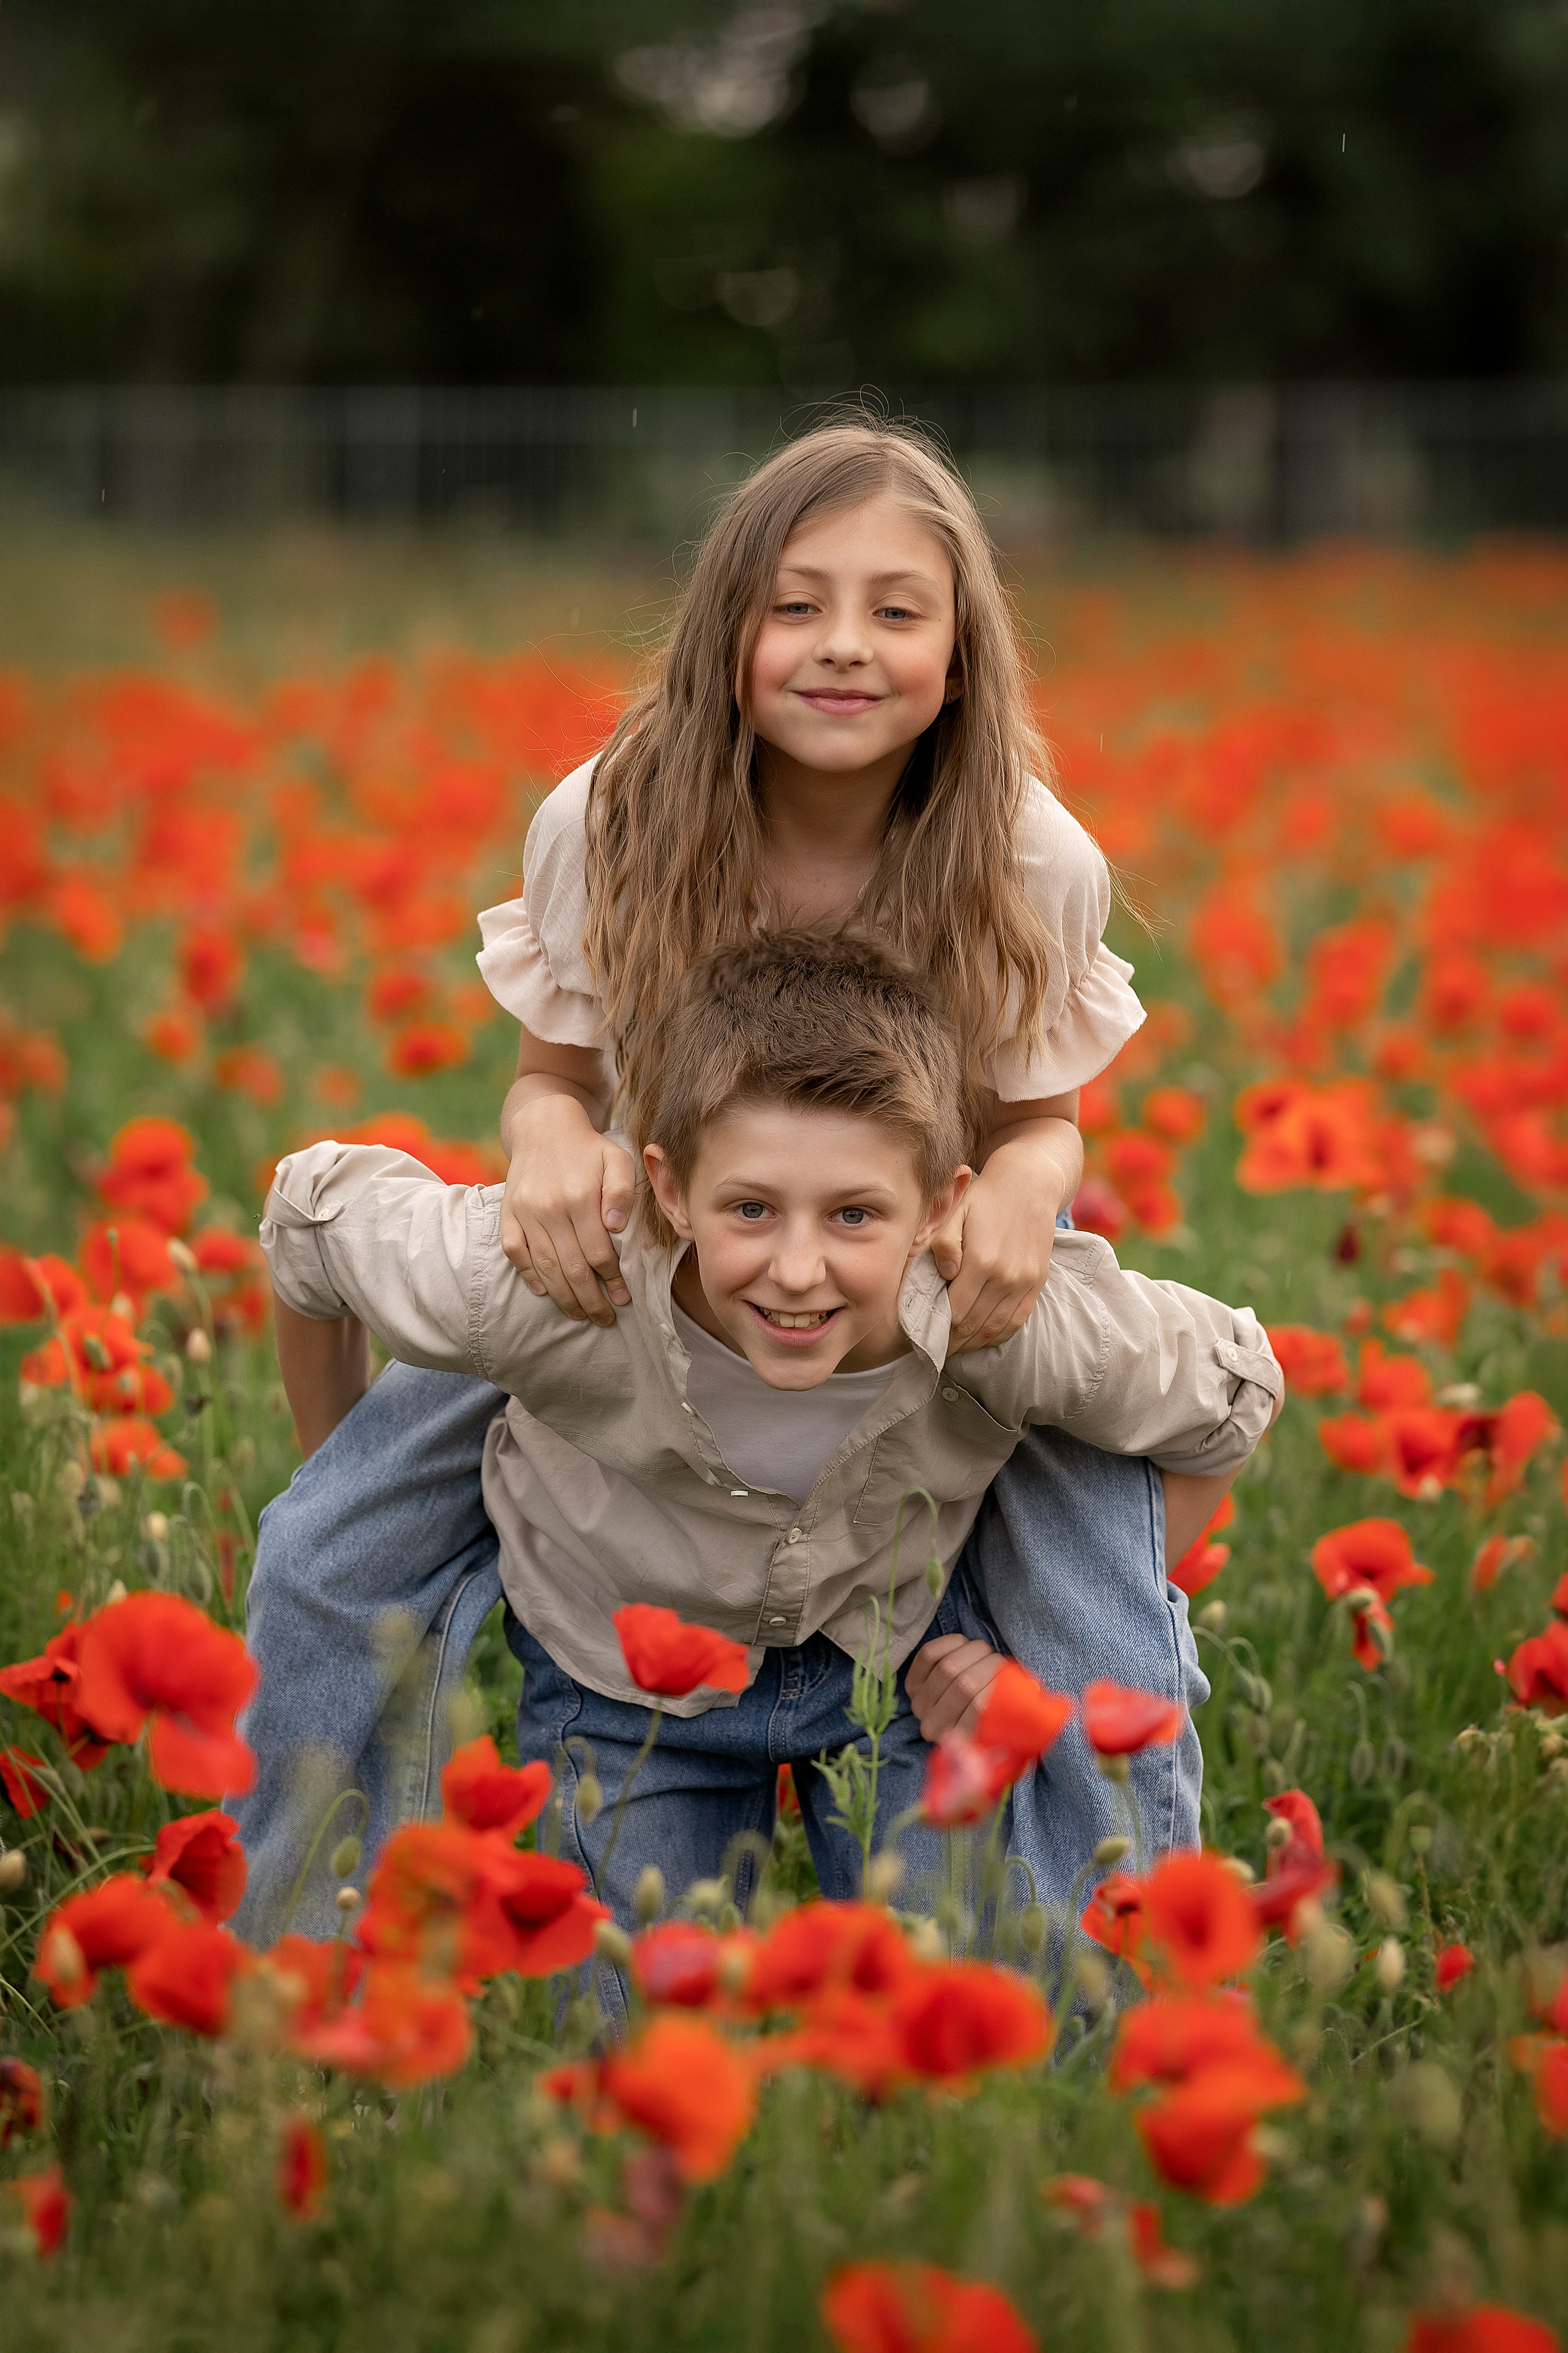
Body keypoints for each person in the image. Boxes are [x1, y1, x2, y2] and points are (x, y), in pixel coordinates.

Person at [233, 415, 1205, 1938]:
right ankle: (293, 1966)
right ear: (725, 626)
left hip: (938, 1265)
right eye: (795, 603)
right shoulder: (613, 815)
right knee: (317, 1552)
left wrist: (1030, 1184)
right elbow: (554, 1075)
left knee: (1108, 1641)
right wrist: (550, 1140)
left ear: (960, 653)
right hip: (634, 1248)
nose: (843, 646)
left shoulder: (1027, 858)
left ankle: (1116, 2006)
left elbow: (1038, 1117)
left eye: (896, 610)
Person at [255, 935, 1280, 1984]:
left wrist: (1022, 1655)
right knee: (636, 2063)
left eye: (853, 1214)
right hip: (621, 1684)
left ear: (940, 1206)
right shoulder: (559, 1285)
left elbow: (1233, 1393)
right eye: (749, 1208)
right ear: (665, 1186)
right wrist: (336, 1460)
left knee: (952, 2035)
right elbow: (309, 1215)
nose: (798, 1270)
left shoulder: (994, 1316)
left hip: (889, 1671)